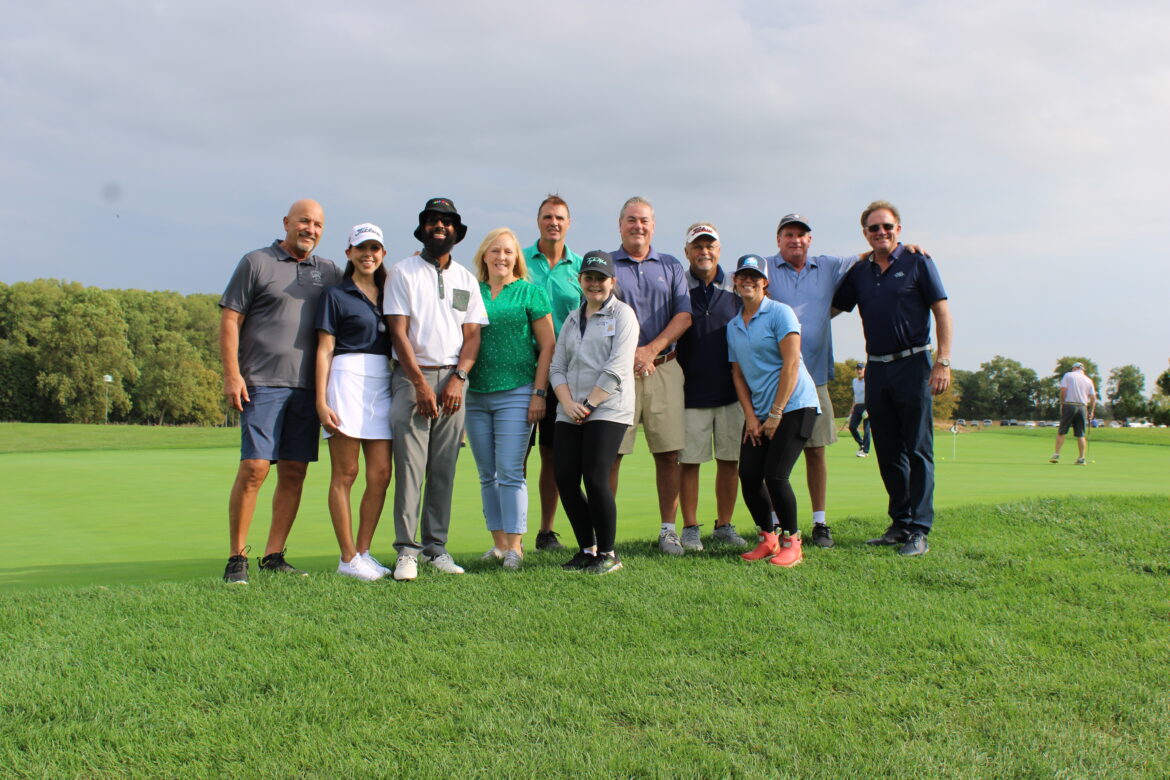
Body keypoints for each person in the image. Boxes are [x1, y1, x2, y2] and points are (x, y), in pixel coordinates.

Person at [219, 199, 341, 584]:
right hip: (261, 383)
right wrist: (232, 374)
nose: (311, 229)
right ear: (286, 222)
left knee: (293, 471)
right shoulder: (256, 262)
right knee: (255, 467)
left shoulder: (329, 271)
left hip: (308, 389)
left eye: (318, 224)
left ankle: (273, 555)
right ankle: (236, 557)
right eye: (304, 221)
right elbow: (230, 318)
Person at [832, 201, 952, 557]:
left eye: (886, 227)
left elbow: (942, 311)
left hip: (915, 363)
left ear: (898, 229)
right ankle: (899, 523)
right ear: (865, 234)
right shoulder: (860, 273)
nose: (881, 233)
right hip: (877, 368)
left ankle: (919, 528)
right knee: (886, 449)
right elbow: (833, 308)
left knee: (917, 447)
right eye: (873, 229)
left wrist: (942, 362)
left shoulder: (919, 262)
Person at [384, 198, 488, 580]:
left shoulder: (465, 278)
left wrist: (459, 378)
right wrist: (418, 384)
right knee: (411, 468)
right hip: (414, 377)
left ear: (456, 232)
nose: (440, 226)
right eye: (433, 221)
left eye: (447, 222)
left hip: (454, 380)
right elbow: (398, 333)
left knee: (443, 468)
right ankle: (406, 551)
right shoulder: (403, 271)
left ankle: (435, 548)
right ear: (423, 228)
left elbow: (472, 334)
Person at [466, 228, 555, 570]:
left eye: (508, 252)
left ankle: (516, 546)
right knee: (487, 473)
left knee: (510, 471)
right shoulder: (471, 292)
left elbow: (548, 346)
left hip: (518, 393)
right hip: (476, 394)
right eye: (495, 251)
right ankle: (499, 544)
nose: (501, 257)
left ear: (516, 257)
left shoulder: (530, 293)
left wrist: (538, 392)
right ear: (484, 256)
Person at [609, 197, 693, 555]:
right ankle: (604, 533)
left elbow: (684, 316)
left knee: (668, 453)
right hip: (619, 372)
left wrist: (650, 350)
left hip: (664, 367)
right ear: (620, 225)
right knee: (612, 452)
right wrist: (631, 354)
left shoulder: (671, 265)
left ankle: (668, 530)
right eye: (631, 220)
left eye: (644, 220)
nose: (638, 226)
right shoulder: (608, 264)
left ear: (653, 226)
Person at [727, 255, 822, 568]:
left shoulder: (780, 313)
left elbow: (792, 363)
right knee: (749, 474)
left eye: (755, 277)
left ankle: (792, 541)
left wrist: (776, 413)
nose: (748, 281)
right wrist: (752, 417)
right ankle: (768, 538)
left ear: (764, 282)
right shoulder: (733, 326)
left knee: (776, 474)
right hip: (761, 411)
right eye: (743, 276)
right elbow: (738, 374)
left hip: (795, 405)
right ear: (735, 281)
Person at [550, 251, 638, 575]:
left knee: (595, 476)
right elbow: (557, 366)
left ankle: (609, 554)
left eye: (601, 278)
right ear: (580, 281)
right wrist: (569, 403)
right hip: (570, 407)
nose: (595, 283)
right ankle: (588, 550)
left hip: (609, 407)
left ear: (612, 281)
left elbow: (617, 368)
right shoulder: (573, 319)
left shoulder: (624, 315)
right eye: (589, 278)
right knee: (565, 478)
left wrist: (589, 404)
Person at [315, 223, 394, 582]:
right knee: (346, 473)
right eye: (361, 248)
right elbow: (325, 349)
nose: (368, 255)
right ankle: (347, 557)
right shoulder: (335, 295)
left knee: (380, 474)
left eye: (375, 248)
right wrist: (320, 399)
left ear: (383, 254)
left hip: (384, 382)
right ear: (349, 253)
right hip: (345, 380)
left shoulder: (392, 292)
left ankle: (363, 551)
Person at [676, 223, 748, 550]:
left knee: (729, 461)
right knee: (689, 462)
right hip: (689, 392)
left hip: (732, 392)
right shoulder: (678, 287)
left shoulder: (736, 286)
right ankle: (690, 527)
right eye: (698, 246)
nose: (704, 252)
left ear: (719, 250)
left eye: (710, 246)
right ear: (687, 252)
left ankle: (724, 525)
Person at [522, 195, 584, 551]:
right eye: (547, 217)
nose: (553, 223)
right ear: (538, 221)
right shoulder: (521, 262)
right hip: (523, 370)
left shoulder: (578, 267)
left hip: (566, 375)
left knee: (552, 454)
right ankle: (510, 531)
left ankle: (546, 531)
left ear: (568, 223)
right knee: (518, 455)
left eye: (560, 217)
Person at [1050, 362, 1096, 465]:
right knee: (1081, 434)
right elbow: (1093, 397)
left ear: (1074, 368)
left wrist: (1062, 404)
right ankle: (1081, 458)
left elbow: (1063, 390)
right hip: (1082, 407)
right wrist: (1091, 411)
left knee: (1062, 431)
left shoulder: (1068, 375)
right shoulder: (1088, 380)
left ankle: (1056, 454)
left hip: (1069, 405)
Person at [849, 362, 871, 457]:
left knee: (866, 429)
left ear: (864, 370)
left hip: (867, 406)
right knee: (852, 427)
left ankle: (865, 451)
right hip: (857, 406)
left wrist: (869, 408)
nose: (859, 371)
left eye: (861, 369)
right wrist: (852, 407)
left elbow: (871, 395)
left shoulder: (868, 380)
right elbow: (855, 395)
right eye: (857, 369)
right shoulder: (854, 381)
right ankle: (861, 444)